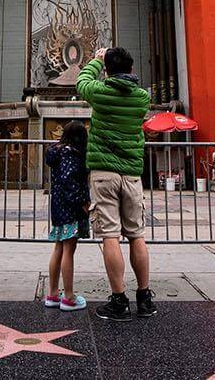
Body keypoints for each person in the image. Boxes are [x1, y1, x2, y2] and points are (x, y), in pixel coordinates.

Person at [77, 46, 155, 321]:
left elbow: (82, 82)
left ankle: (119, 299)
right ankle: (145, 298)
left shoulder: (100, 93)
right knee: (137, 234)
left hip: (103, 173)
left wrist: (96, 60)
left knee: (110, 235)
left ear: (107, 70)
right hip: (132, 175)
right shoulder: (142, 98)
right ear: (132, 69)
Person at [43, 120, 90, 312]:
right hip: (71, 208)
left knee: (58, 248)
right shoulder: (72, 154)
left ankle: (53, 294)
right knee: (69, 249)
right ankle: (68, 297)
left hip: (58, 207)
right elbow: (70, 180)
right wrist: (83, 202)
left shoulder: (57, 153)